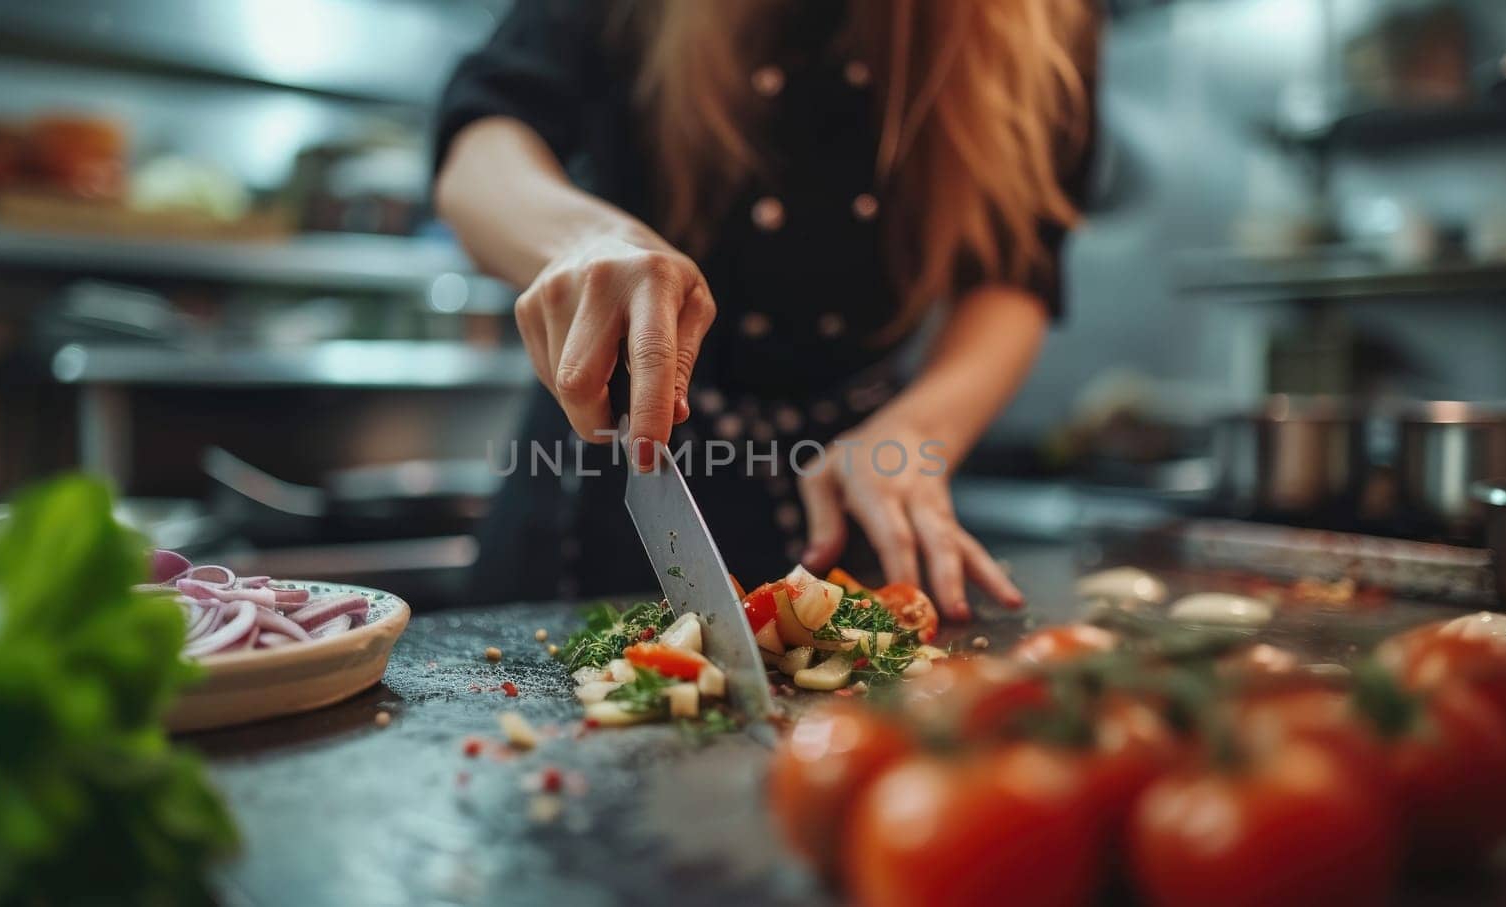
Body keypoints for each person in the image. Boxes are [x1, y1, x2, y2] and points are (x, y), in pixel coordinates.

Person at [434, 0, 1098, 618]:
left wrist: (919, 432)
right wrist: (581, 240)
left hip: (848, 505)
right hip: (603, 479)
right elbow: (483, 142)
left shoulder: (1046, 19)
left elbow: (1018, 269)